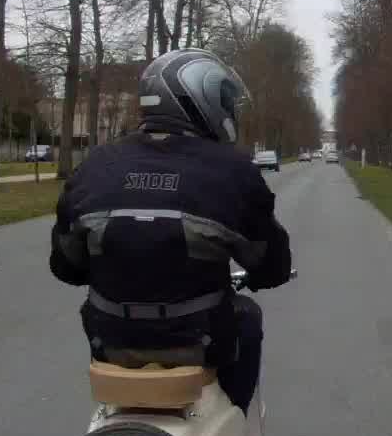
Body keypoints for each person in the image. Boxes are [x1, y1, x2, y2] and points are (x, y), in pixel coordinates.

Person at [48, 49, 292, 414]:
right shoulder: (233, 170)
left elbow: (65, 267)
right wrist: (259, 275)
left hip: (110, 341)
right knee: (248, 316)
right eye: (225, 100)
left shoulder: (95, 165)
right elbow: (272, 266)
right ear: (201, 99)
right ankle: (235, 418)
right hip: (201, 341)